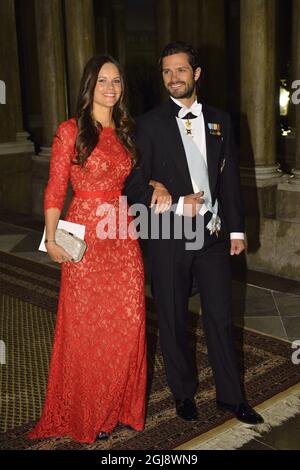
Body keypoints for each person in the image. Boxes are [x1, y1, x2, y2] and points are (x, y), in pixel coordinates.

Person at [28, 55, 169, 444]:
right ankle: (92, 412)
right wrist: (52, 239)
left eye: (117, 81)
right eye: (103, 80)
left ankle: (119, 406)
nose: (111, 87)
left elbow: (135, 177)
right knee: (89, 329)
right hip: (86, 236)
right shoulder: (70, 131)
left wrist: (156, 184)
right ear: (89, 85)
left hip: (122, 235)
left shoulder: (126, 129)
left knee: (127, 323)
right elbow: (56, 189)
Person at [125, 41, 264, 425]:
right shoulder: (148, 124)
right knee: (172, 317)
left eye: (181, 70)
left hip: (215, 235)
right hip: (169, 236)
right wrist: (163, 194)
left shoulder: (221, 119)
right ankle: (184, 394)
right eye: (167, 72)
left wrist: (237, 229)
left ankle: (231, 397)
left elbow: (230, 180)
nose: (174, 78)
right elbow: (132, 186)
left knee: (220, 316)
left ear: (196, 73)